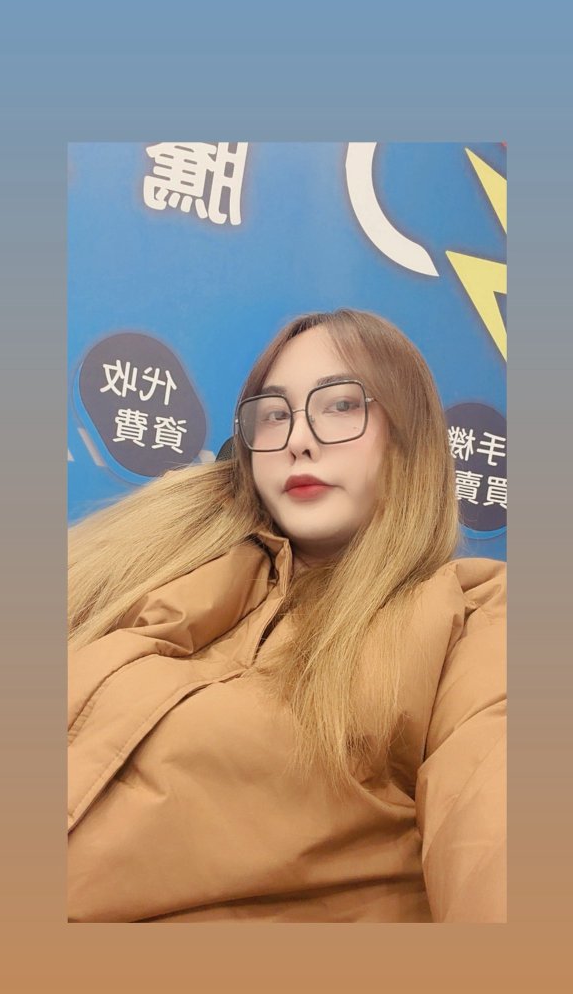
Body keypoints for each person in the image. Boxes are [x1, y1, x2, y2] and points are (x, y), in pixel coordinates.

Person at [68, 308, 506, 923]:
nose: (299, 438)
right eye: (274, 414)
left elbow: (494, 841)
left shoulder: (472, 619)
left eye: (340, 405)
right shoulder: (163, 553)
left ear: (409, 437)